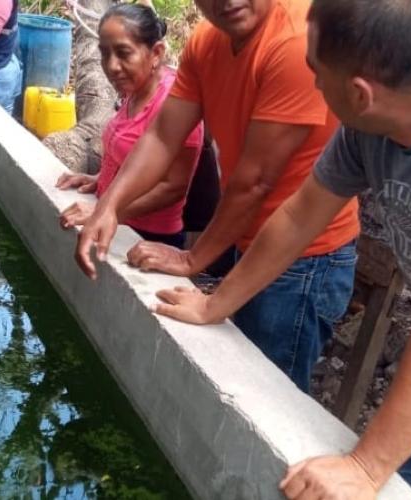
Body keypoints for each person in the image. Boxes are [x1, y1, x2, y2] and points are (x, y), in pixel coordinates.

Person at [150, 0, 411, 498]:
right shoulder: (368, 127)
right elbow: (297, 217)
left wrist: (365, 466)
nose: (313, 83)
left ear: (359, 92)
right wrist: (214, 305)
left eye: (316, 71)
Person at [74, 0, 360, 394]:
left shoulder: (294, 42)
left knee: (266, 393)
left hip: (304, 257)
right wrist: (108, 207)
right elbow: (163, 135)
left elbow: (255, 181)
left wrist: (192, 259)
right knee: (244, 374)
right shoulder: (207, 40)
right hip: (252, 238)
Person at [55, 4, 204, 249]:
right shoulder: (136, 88)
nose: (112, 66)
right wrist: (100, 179)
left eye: (123, 53)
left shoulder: (173, 103)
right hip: (117, 221)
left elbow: (173, 187)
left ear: (156, 53)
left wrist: (105, 211)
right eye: (105, 54)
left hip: (146, 237)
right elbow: (128, 156)